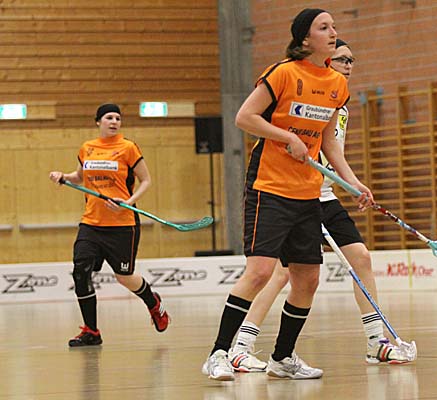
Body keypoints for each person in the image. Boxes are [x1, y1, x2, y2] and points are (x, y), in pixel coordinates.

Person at [226, 38, 416, 375]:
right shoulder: (302, 91)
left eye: (352, 60)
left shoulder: (339, 105)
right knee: (280, 273)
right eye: (342, 59)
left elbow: (332, 151)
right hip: (294, 194)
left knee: (361, 257)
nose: (348, 66)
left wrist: (353, 183)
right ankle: (241, 345)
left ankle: (376, 341)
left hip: (325, 195)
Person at [201, 9, 372, 381]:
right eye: (323, 27)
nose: (333, 32)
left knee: (307, 279)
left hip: (307, 193)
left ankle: (282, 357)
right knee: (260, 272)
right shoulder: (282, 73)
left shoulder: (337, 85)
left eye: (333, 27)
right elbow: (245, 117)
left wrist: (352, 182)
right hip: (270, 187)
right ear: (305, 38)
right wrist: (287, 137)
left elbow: (330, 142)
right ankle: (219, 353)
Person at [49, 104, 169, 347]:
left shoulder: (128, 147)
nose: (114, 121)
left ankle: (153, 303)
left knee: (125, 277)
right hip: (91, 223)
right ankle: (91, 331)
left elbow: (146, 180)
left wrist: (128, 203)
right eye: (109, 117)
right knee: (81, 271)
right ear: (98, 121)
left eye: (117, 118)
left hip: (122, 225)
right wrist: (64, 177)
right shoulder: (87, 148)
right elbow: (80, 177)